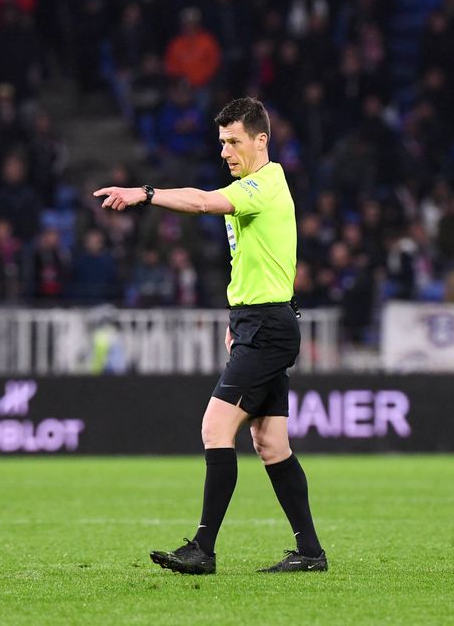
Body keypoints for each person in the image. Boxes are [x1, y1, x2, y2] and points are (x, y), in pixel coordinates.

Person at [93, 97, 326, 574]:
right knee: (271, 444)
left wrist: (146, 193)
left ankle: (203, 549)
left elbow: (201, 201)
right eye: (221, 142)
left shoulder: (265, 184)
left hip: (267, 328)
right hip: (257, 322)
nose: (225, 151)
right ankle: (310, 552)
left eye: (233, 141)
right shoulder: (249, 188)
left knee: (214, 427)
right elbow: (253, 263)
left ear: (261, 140)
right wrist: (234, 317)